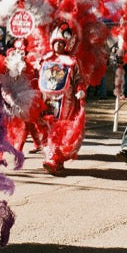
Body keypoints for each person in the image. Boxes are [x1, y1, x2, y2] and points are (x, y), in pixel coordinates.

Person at [38, 22, 87, 175]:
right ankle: (53, 159)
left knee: (60, 130)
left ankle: (55, 160)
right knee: (48, 128)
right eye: (56, 42)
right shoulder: (45, 59)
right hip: (47, 99)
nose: (58, 45)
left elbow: (79, 79)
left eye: (61, 43)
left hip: (66, 101)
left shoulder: (72, 61)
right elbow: (38, 77)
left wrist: (80, 91)